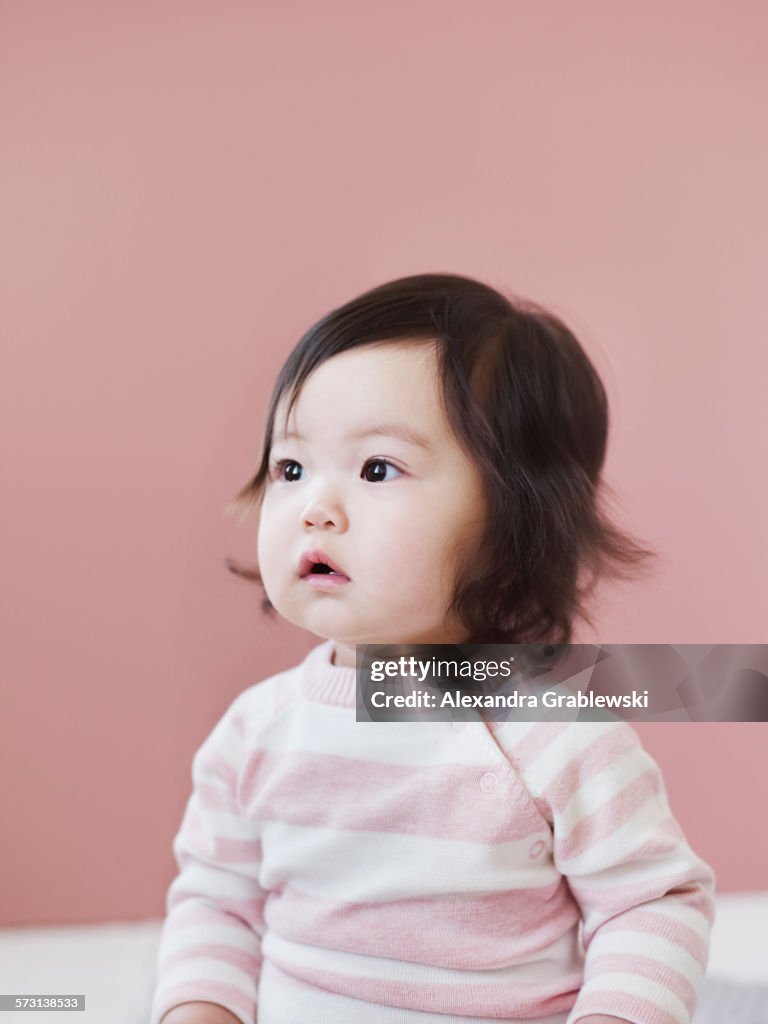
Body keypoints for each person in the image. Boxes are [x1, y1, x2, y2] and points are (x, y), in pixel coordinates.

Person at [149, 274, 715, 1024]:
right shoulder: (256, 734)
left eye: (377, 468)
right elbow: (216, 903)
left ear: (516, 528)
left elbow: (650, 904)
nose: (315, 507)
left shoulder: (554, 735)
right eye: (291, 468)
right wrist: (197, 1008)